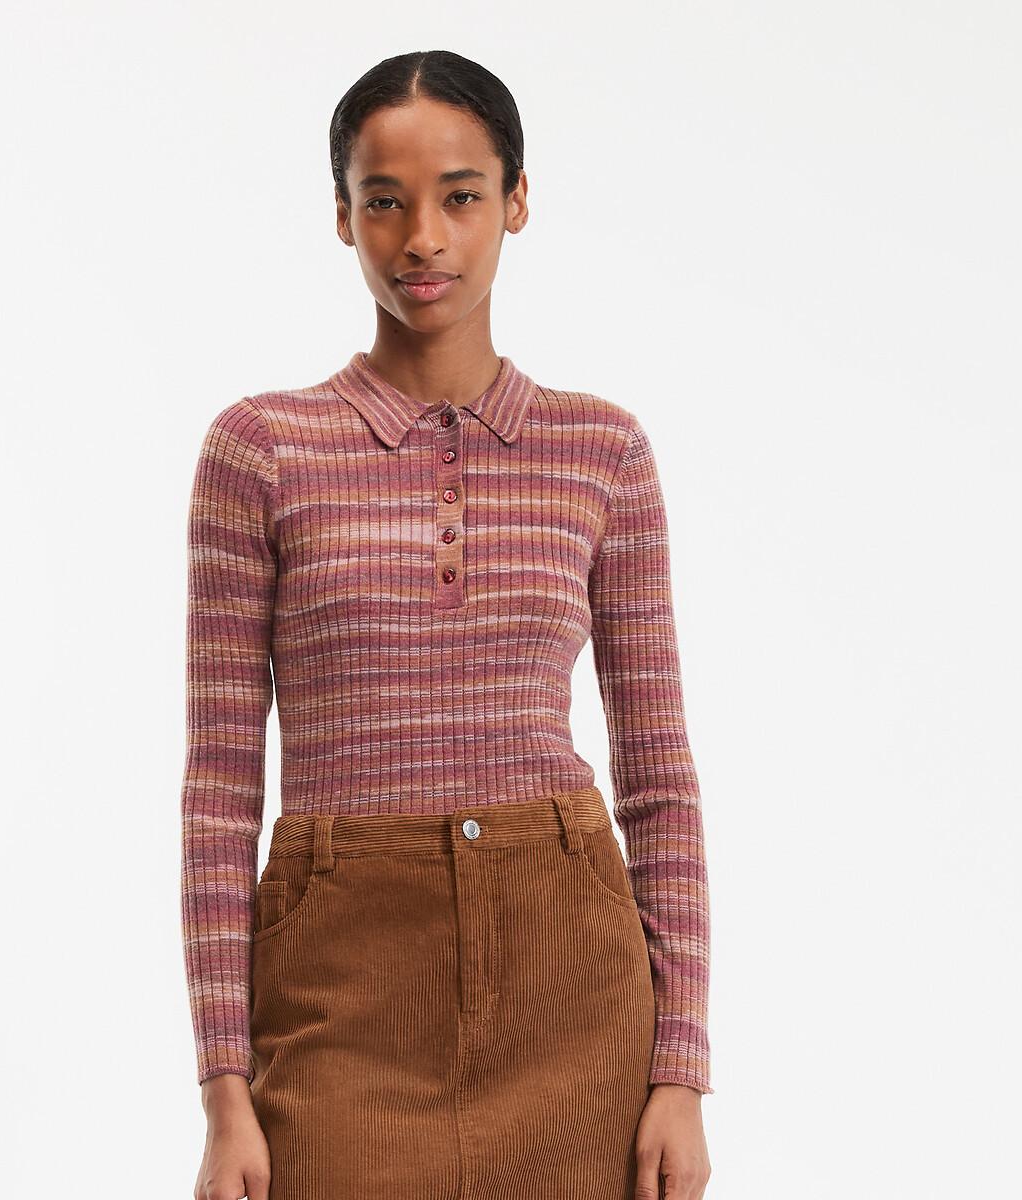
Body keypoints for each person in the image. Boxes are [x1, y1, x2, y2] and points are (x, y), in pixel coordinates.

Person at [180, 49, 713, 1200]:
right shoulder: (260, 452)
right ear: (342, 216)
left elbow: (659, 778)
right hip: (340, 997)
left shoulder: (602, 451)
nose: (423, 237)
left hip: (572, 986)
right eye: (385, 200)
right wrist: (225, 1090)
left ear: (516, 201)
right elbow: (220, 793)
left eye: (461, 195)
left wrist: (679, 1070)